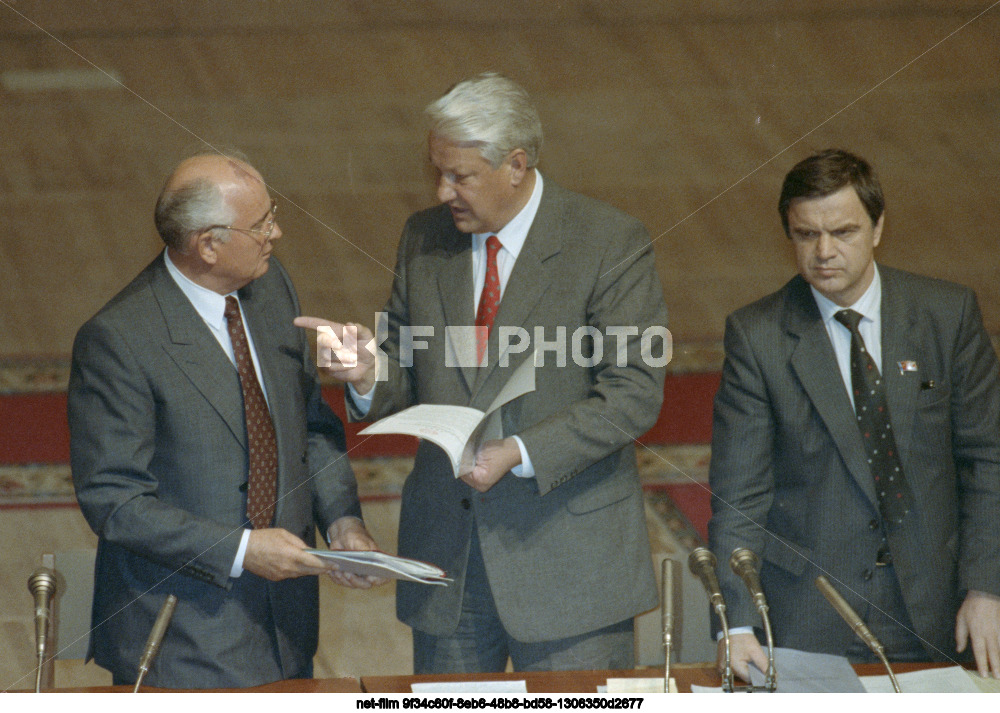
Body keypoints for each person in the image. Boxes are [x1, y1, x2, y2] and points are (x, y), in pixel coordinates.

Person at [296, 73, 669, 673]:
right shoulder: (424, 238)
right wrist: (367, 373)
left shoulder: (607, 242)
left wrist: (519, 451)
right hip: (449, 567)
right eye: (437, 172)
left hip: (571, 574)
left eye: (460, 176)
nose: (442, 191)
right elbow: (406, 372)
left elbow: (632, 395)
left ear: (516, 165)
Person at [68, 152, 383, 688]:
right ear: (207, 245)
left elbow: (308, 427)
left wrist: (342, 522)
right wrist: (242, 551)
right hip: (180, 637)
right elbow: (115, 501)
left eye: (272, 214)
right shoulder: (119, 341)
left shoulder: (271, 288)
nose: (276, 233)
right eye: (261, 225)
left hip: (287, 627)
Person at [707, 148, 1000, 680]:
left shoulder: (947, 316)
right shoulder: (757, 336)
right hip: (808, 618)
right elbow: (738, 493)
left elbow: (989, 460)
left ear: (878, 227)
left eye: (843, 232)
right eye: (806, 235)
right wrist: (737, 623)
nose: (824, 252)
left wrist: (987, 588)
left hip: (937, 611)